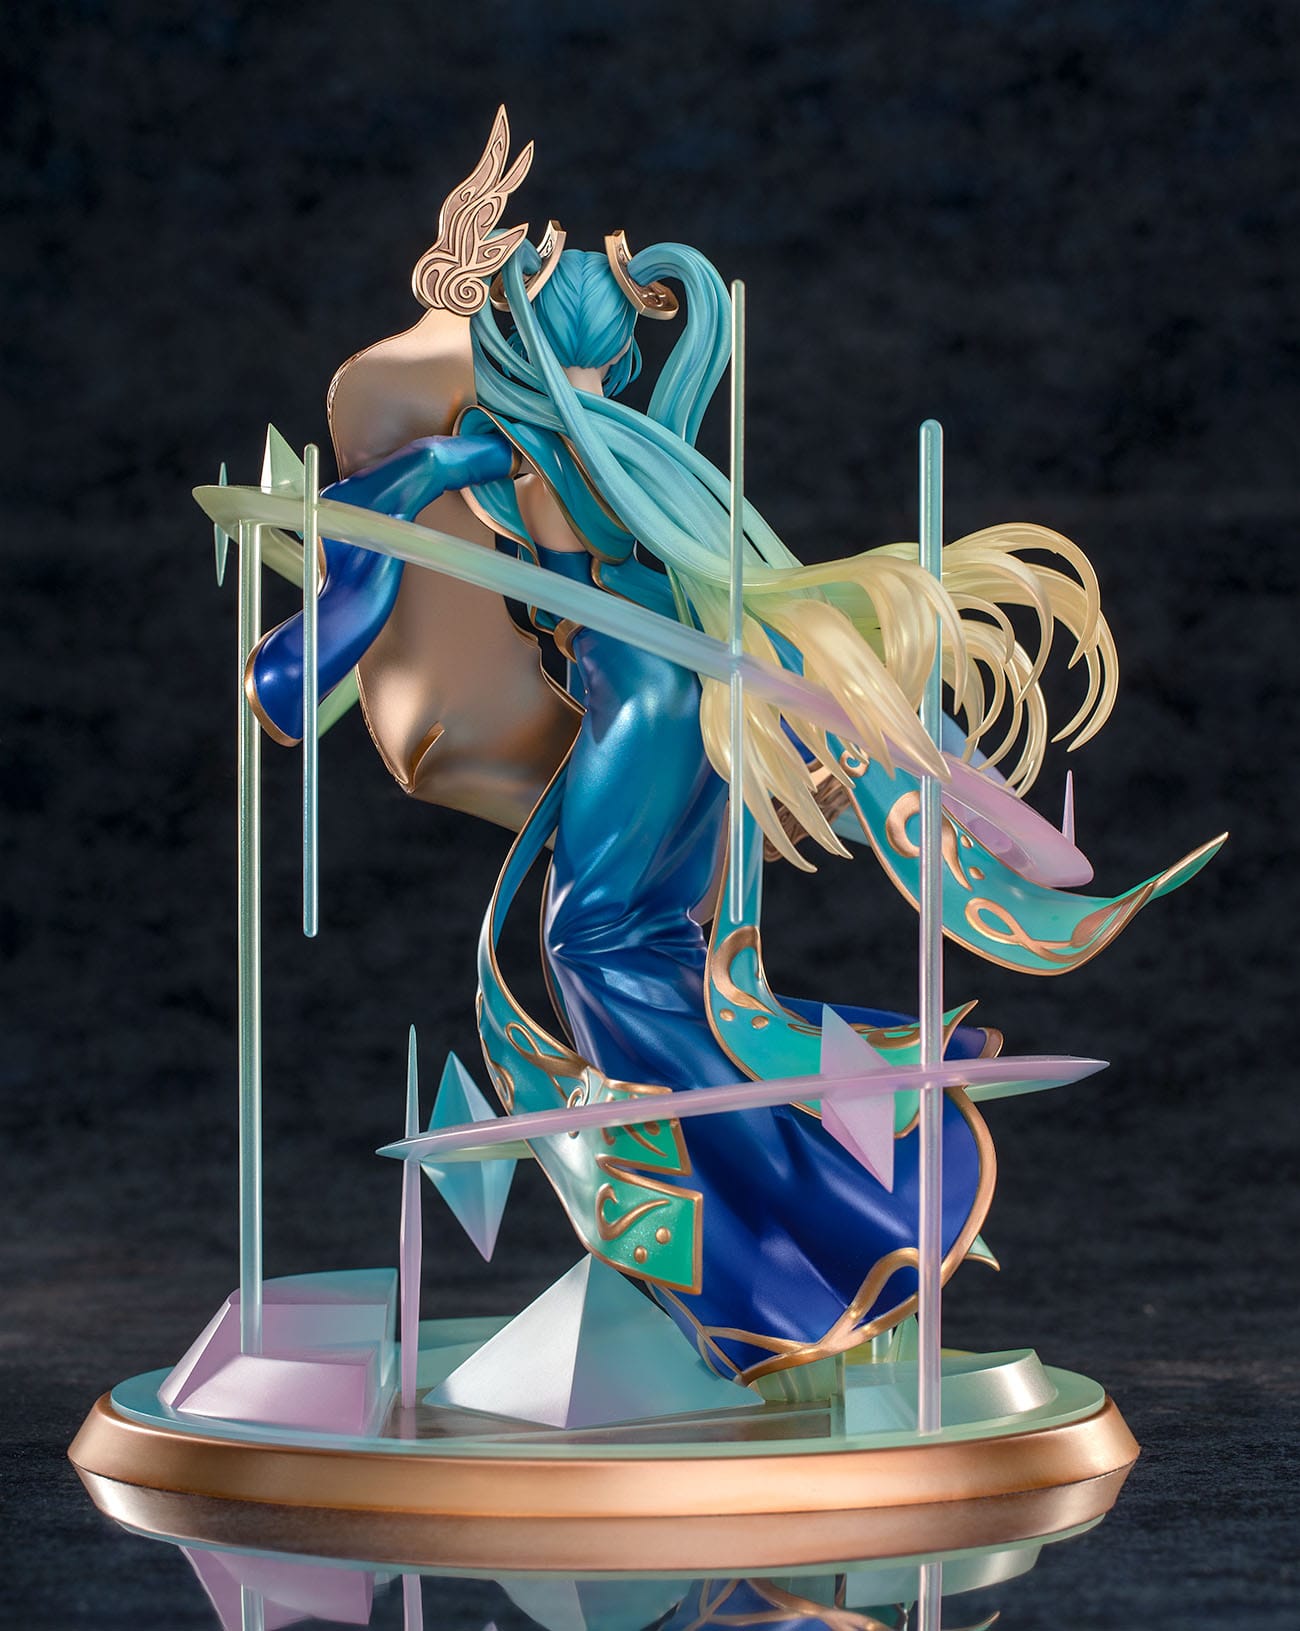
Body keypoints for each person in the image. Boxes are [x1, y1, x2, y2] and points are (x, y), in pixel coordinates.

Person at [245, 160, 1215, 1384]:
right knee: (661, 951)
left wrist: (295, 660)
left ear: (524, 336)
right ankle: (811, 1193)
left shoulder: (524, 441)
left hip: (645, 697)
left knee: (597, 949)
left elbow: (381, 525)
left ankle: (800, 1223)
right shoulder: (643, 447)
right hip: (698, 697)